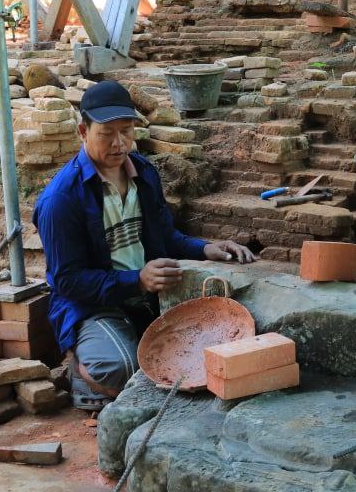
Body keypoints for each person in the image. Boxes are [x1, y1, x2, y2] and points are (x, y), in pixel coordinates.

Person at [33, 81, 256, 407]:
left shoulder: (144, 174)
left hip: (146, 297)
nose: (119, 143)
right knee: (123, 367)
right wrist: (136, 280)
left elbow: (164, 236)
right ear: (83, 131)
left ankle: (127, 346)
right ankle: (82, 372)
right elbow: (68, 281)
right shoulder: (61, 199)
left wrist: (204, 248)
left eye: (126, 131)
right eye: (106, 133)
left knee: (214, 343)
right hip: (92, 306)